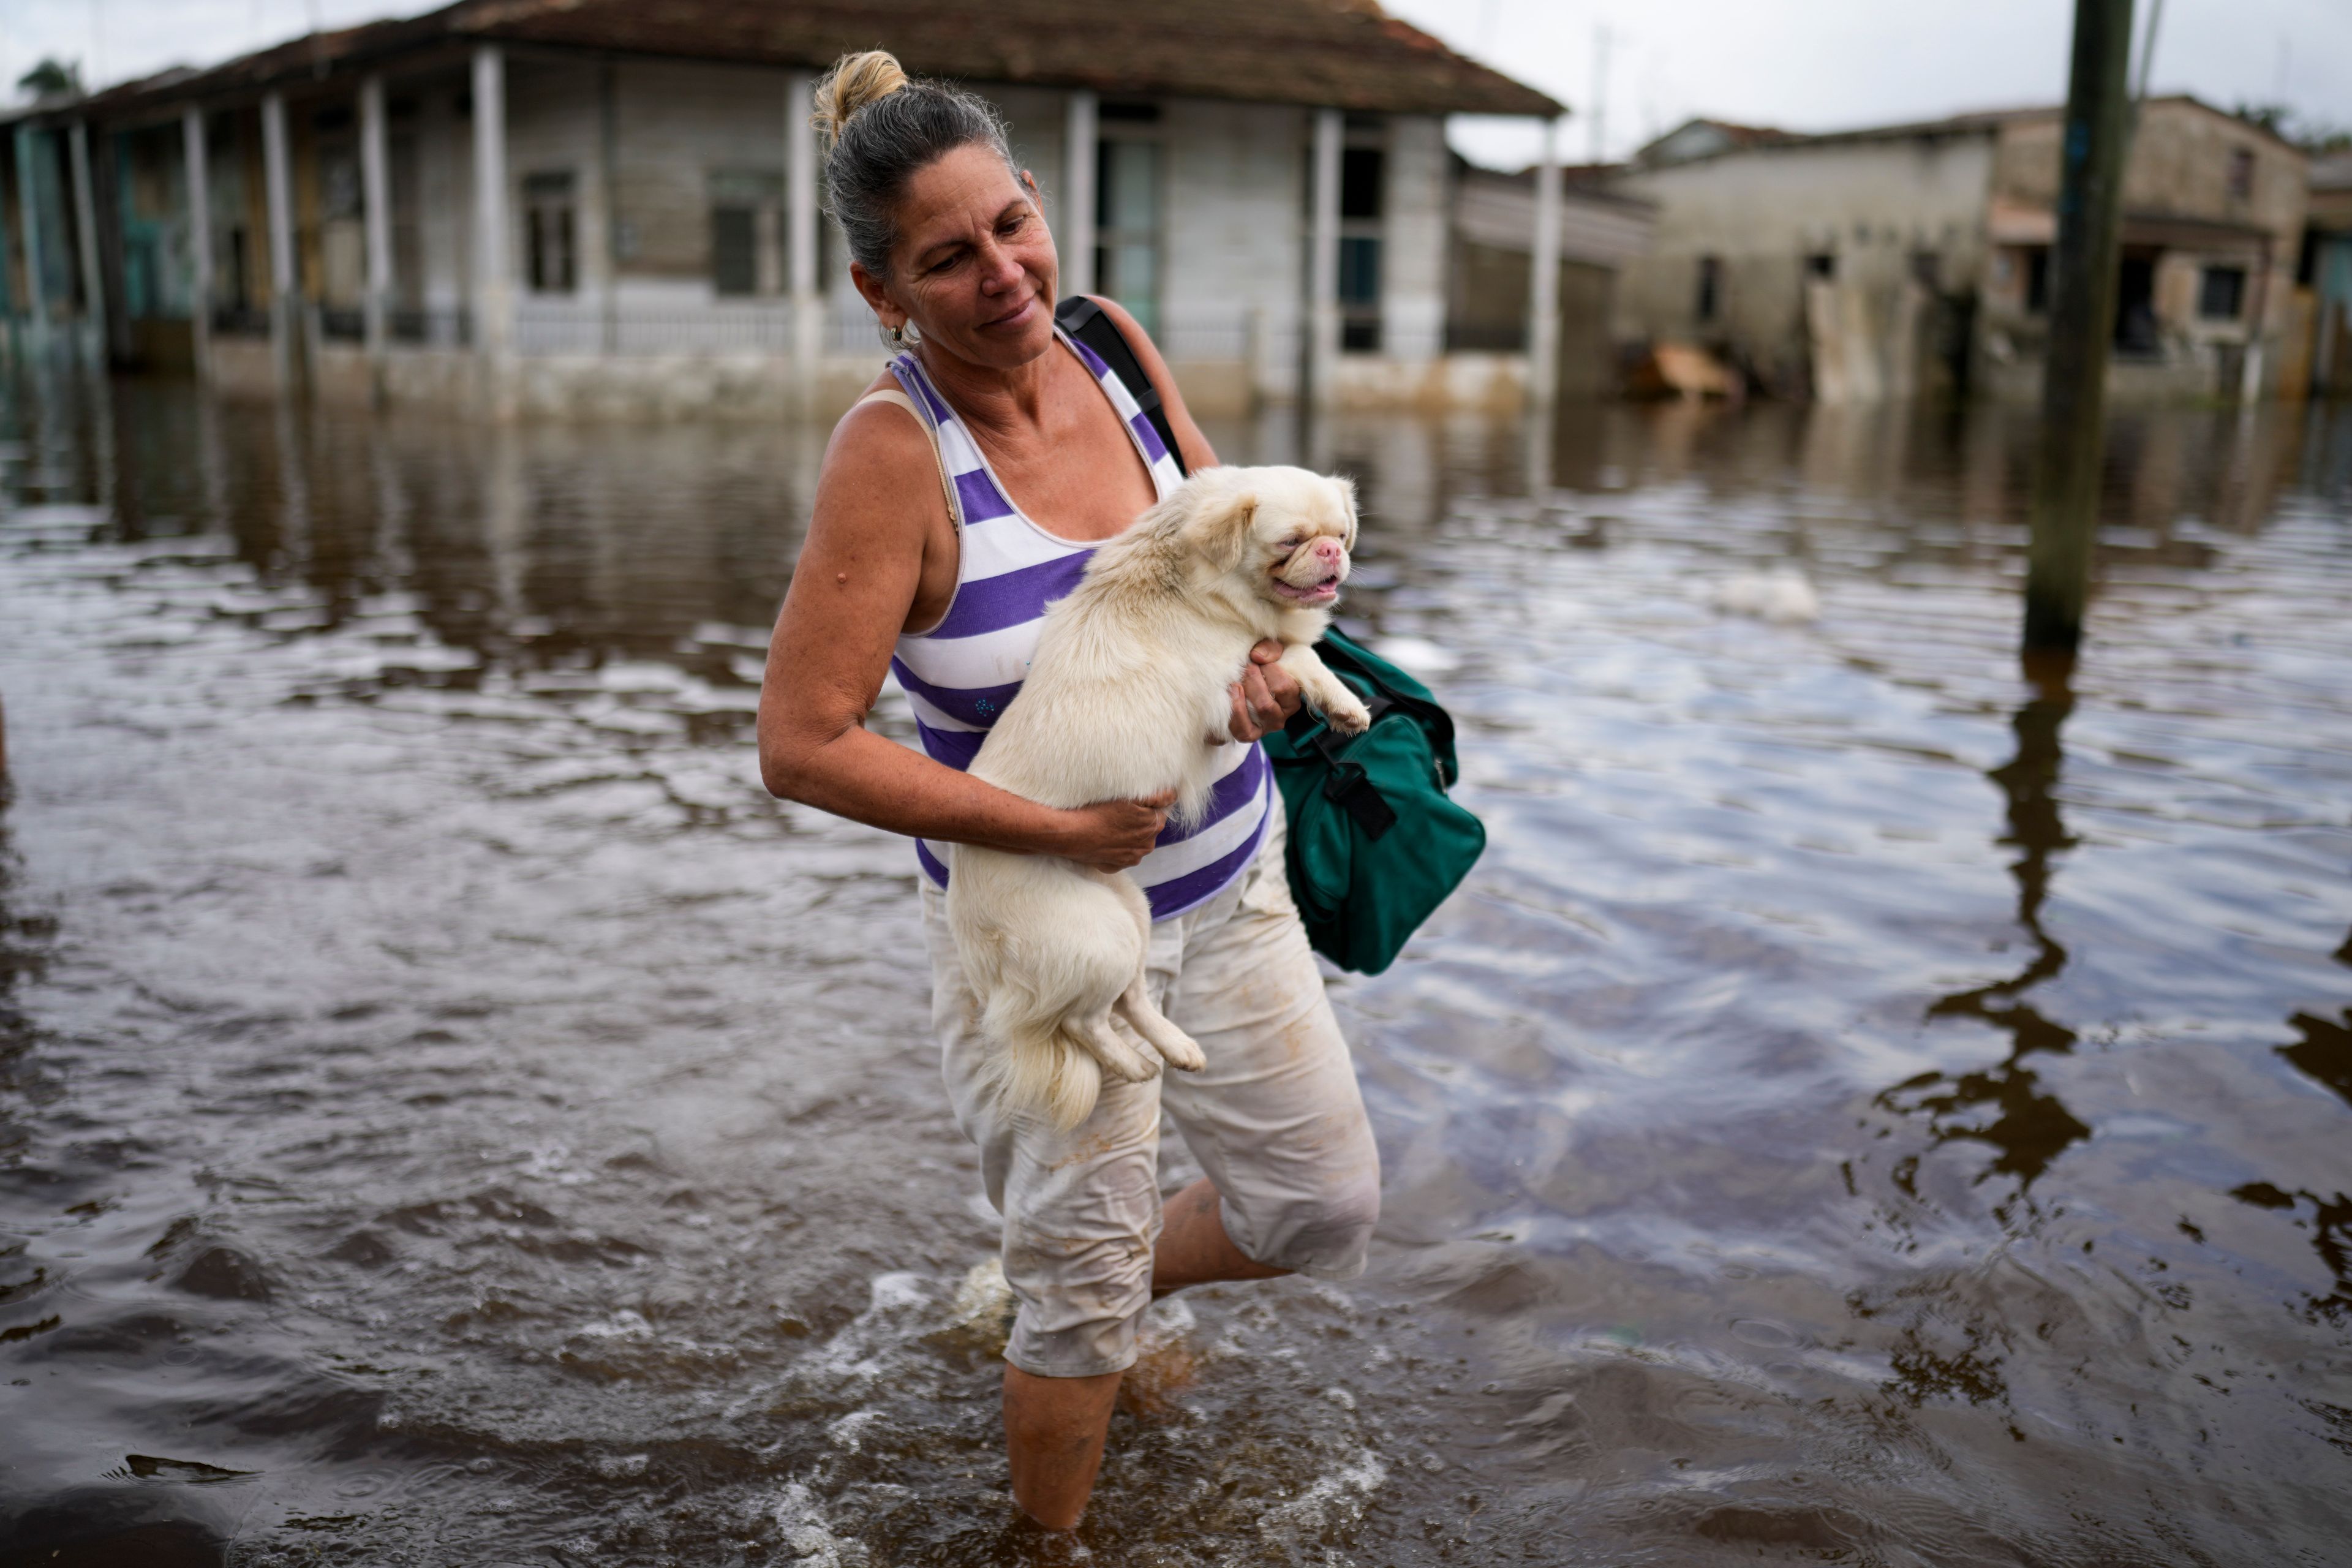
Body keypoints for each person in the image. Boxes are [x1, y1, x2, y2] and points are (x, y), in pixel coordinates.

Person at [756, 51, 1381, 1532]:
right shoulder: (894, 456)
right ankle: (1047, 1542)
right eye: (946, 258)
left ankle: (1072, 1265)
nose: (1002, 275)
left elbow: (1237, 571)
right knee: (1082, 1317)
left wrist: (1261, 672)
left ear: (1039, 204)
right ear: (882, 291)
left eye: (1010, 226)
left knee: (1320, 1205)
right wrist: (1054, 829)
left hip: (1234, 881)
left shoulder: (1114, 348)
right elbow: (803, 740)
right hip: (1050, 931)